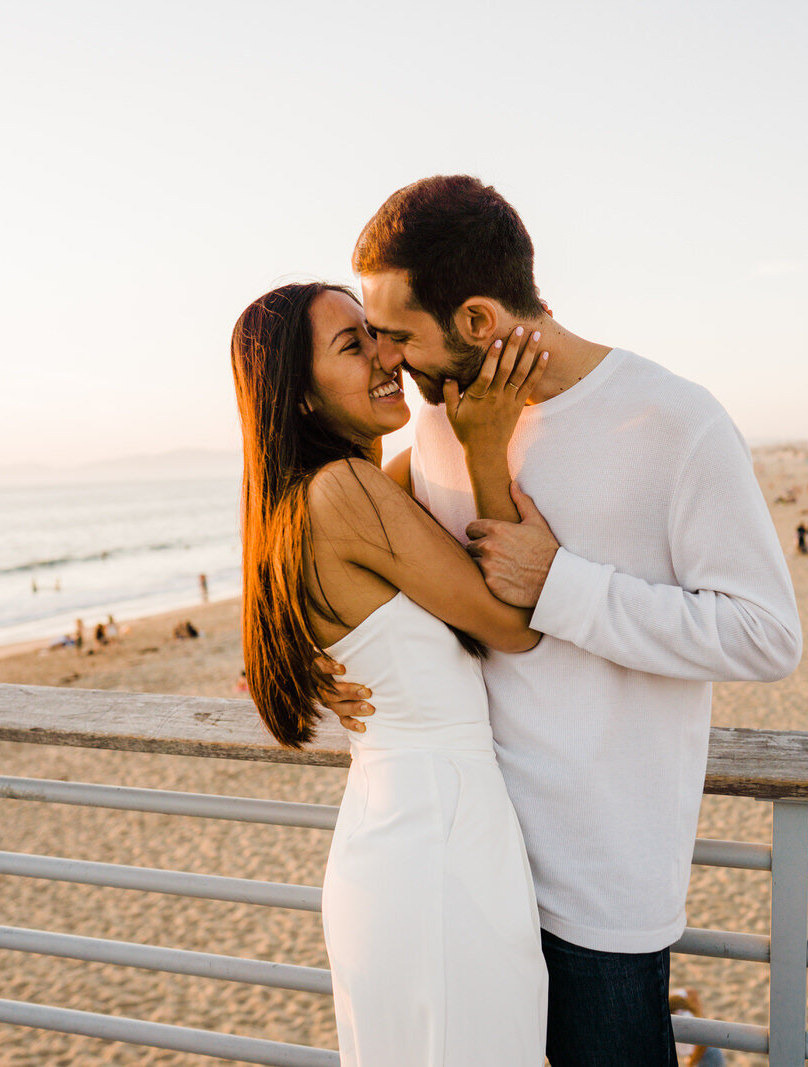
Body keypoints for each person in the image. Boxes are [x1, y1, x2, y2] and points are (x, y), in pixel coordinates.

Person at [329, 175, 801, 1064]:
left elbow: (766, 633)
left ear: (476, 321)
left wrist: (564, 584)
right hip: (470, 868)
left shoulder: (674, 421)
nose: (388, 359)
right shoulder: (439, 422)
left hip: (599, 892)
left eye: (396, 334)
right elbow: (367, 550)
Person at [232, 280, 550, 1064]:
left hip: (397, 834)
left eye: (375, 333)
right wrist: (484, 445)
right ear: (300, 399)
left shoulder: (300, 506)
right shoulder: (344, 494)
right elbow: (513, 626)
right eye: (353, 345)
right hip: (438, 845)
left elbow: (410, 481)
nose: (383, 355)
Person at [669, 987, 724, 1067]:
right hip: (699, 1053)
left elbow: (703, 1044)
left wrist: (691, 1063)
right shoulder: (678, 1008)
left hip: (706, 1055)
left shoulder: (685, 1019)